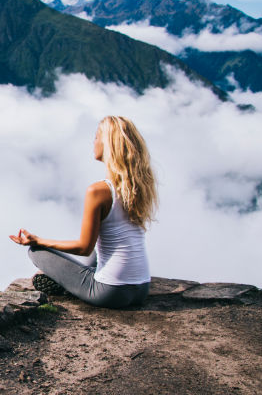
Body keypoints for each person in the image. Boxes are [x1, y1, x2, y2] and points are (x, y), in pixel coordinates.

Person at [9, 116, 158, 308]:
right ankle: (66, 282)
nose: (93, 142)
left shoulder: (98, 191)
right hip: (141, 287)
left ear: (108, 144)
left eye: (97, 137)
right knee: (99, 252)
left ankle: (64, 283)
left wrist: (38, 241)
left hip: (110, 292)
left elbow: (83, 247)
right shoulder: (138, 188)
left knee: (36, 252)